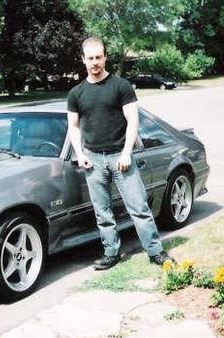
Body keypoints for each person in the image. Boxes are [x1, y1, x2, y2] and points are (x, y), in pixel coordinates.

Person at [67, 36, 174, 270]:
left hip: (120, 156)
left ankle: (155, 252)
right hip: (93, 160)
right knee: (102, 211)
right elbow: (73, 127)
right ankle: (111, 253)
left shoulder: (121, 86)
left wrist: (127, 153)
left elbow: (133, 121)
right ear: (83, 60)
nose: (94, 62)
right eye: (90, 58)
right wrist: (81, 153)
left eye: (98, 57)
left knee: (139, 207)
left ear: (105, 57)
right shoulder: (76, 93)